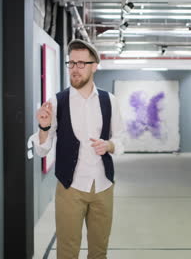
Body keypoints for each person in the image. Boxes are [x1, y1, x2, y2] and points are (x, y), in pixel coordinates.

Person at [32, 39, 125, 259]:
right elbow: (42, 150)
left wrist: (109, 145)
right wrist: (43, 126)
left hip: (103, 186)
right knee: (67, 251)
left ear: (94, 66)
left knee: (99, 251)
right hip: (70, 187)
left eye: (82, 63)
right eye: (71, 63)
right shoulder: (56, 101)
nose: (75, 69)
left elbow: (120, 139)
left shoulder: (109, 100)